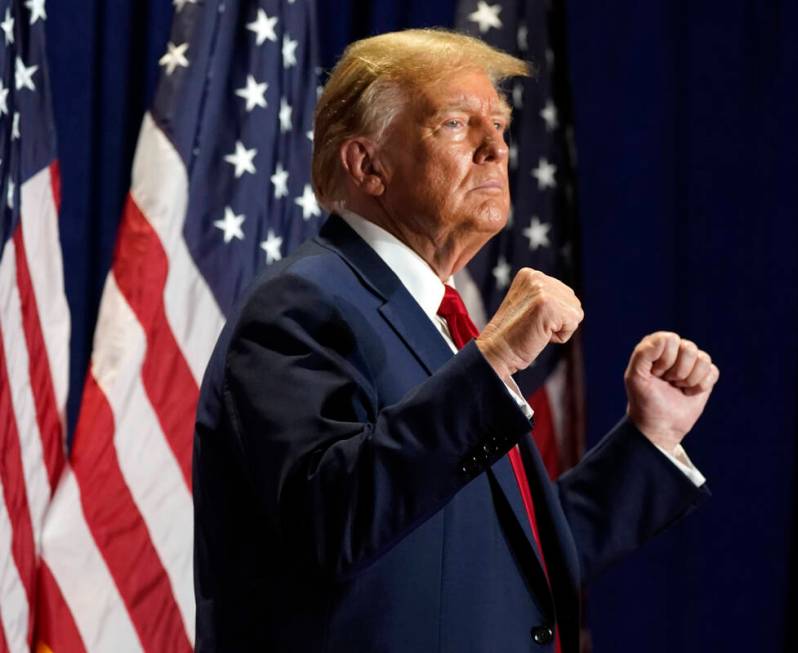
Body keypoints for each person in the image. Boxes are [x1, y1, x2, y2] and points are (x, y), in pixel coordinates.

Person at [193, 28, 720, 653]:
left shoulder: (436, 321)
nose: (496, 148)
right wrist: (494, 359)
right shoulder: (301, 304)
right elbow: (332, 518)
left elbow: (511, 557)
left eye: (497, 125)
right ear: (369, 165)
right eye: (454, 124)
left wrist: (649, 438)